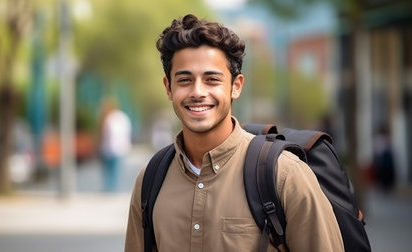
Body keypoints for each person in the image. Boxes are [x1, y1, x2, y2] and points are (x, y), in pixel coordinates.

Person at [125, 14, 343, 251]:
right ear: (169, 88)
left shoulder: (286, 176)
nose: (198, 92)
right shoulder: (151, 179)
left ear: (236, 86)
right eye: (185, 80)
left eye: (212, 80)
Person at [98, 98, 132, 192]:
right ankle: (112, 187)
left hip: (109, 148)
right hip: (120, 147)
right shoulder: (123, 117)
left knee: (108, 169)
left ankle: (109, 187)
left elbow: (105, 134)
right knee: (115, 169)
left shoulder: (108, 118)